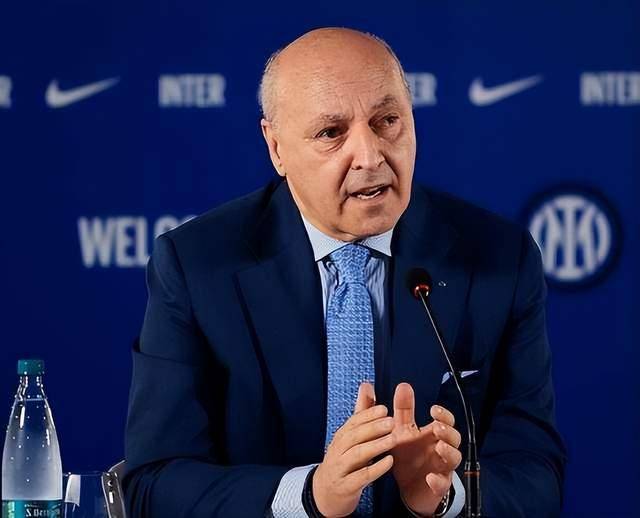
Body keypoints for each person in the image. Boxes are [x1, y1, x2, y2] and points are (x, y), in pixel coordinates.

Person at [123, 28, 566, 517]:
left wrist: (447, 495)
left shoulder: (499, 258)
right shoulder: (197, 265)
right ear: (276, 148)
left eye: (387, 121)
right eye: (331, 133)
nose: (371, 157)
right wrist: (310, 495)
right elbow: (154, 483)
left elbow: (536, 473)